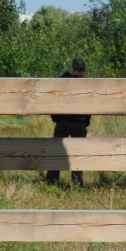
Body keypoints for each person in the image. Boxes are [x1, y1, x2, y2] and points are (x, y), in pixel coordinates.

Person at [45, 58, 90, 187]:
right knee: (78, 154)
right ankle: (78, 183)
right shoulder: (87, 84)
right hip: (80, 123)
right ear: (84, 71)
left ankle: (51, 181)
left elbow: (52, 88)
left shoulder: (65, 81)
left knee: (56, 151)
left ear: (73, 68)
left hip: (64, 122)